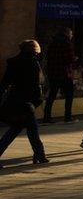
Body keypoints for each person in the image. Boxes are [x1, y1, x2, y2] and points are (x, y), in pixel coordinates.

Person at [0, 40, 48, 168]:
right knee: (20, 129)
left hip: (15, 100)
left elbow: (5, 83)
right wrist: (37, 100)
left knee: (28, 128)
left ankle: (40, 154)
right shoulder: (33, 63)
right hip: (27, 103)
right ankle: (40, 155)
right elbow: (37, 85)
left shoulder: (13, 63)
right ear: (35, 51)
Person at [42, 28, 77, 123]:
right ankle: (67, 116)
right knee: (69, 95)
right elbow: (69, 59)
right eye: (71, 34)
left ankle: (47, 117)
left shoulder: (52, 44)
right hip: (64, 73)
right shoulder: (66, 44)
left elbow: (48, 58)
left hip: (53, 73)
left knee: (52, 95)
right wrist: (74, 61)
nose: (72, 36)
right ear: (67, 34)